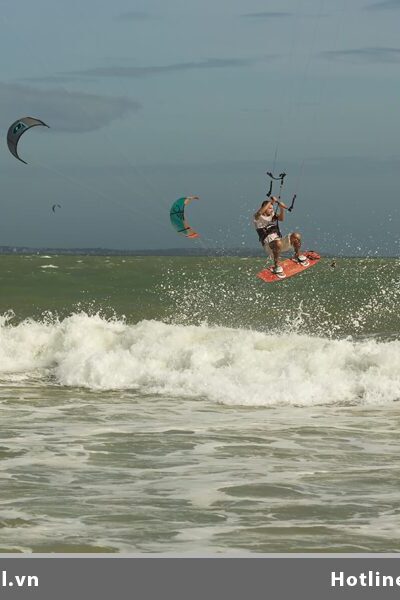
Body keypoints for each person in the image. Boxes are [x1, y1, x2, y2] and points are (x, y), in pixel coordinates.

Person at [253, 196, 307, 275]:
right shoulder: (257, 218)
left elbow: (281, 219)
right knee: (277, 243)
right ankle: (276, 266)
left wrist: (281, 208)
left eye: (272, 208)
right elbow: (259, 213)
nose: (272, 210)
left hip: (280, 243)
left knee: (296, 235)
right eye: (270, 208)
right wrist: (270, 201)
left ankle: (297, 255)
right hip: (269, 247)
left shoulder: (273, 215)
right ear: (264, 208)